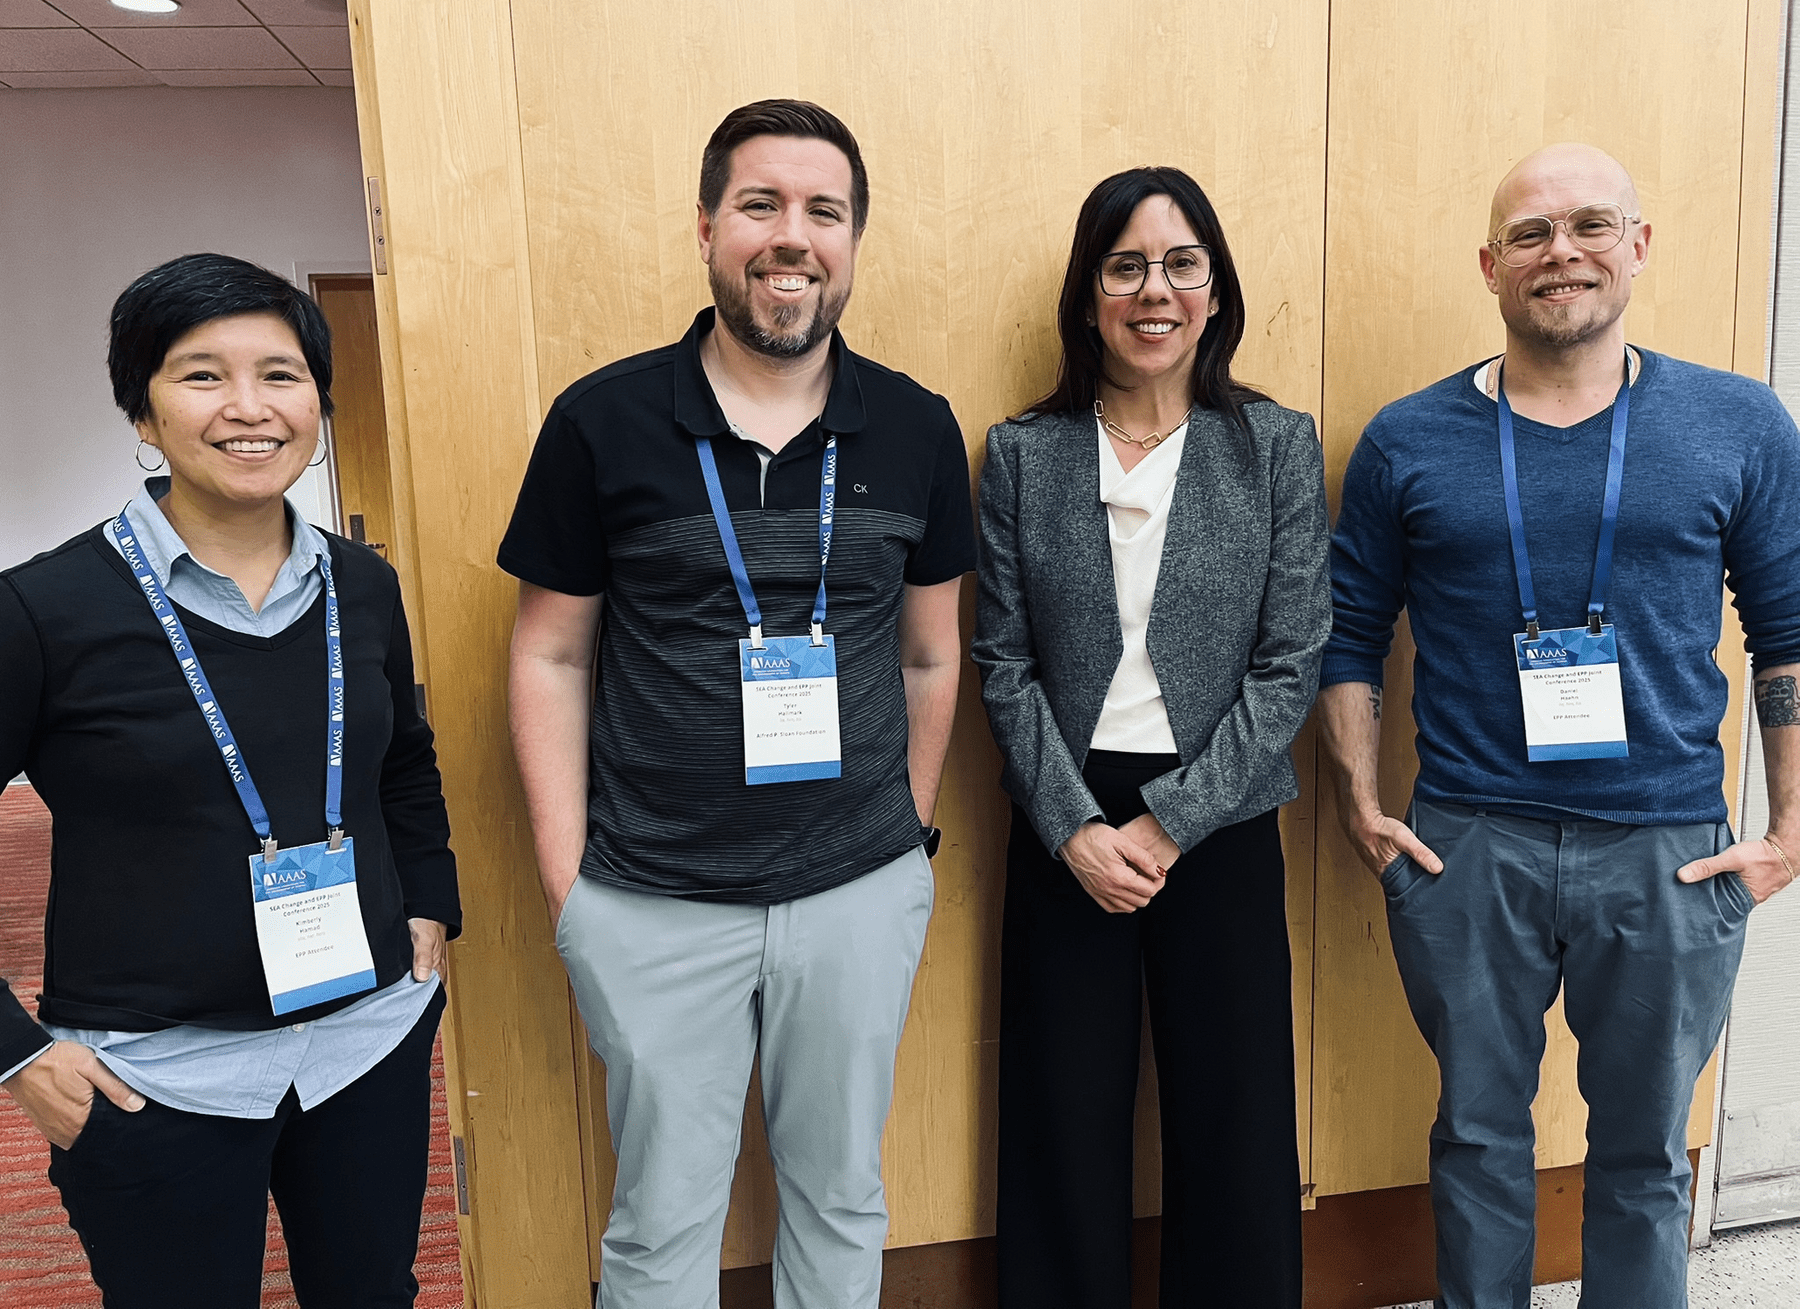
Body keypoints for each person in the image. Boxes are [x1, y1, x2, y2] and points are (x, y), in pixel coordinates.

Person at [500, 99, 973, 1309]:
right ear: (707, 226)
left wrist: (905, 842)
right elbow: (551, 656)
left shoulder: (915, 428)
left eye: (825, 211)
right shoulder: (602, 422)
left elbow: (931, 657)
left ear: (854, 240)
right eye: (761, 204)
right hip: (651, 896)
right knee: (661, 1222)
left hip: (857, 889)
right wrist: (570, 885)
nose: (792, 236)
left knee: (841, 1197)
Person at [1320, 143, 1800, 1309]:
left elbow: (1787, 629)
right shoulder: (1408, 439)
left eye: (1590, 225)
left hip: (1667, 848)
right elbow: (1349, 634)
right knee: (1478, 1139)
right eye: (1531, 233)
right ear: (1492, 266)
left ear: (1638, 246)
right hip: (1471, 842)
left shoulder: (1738, 423)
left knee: (1643, 1156)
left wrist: (1790, 829)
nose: (1562, 252)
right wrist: (1361, 806)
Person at [0, 253, 461, 1307]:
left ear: (318, 405)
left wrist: (430, 901)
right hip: (153, 1076)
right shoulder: (44, 610)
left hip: (363, 1045)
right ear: (144, 412)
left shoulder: (363, 584)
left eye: (281, 375)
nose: (249, 408)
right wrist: (16, 1055)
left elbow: (404, 759)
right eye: (203, 375)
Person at [971, 166, 1329, 1309]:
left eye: (1180, 264)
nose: (1153, 290)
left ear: (1215, 291)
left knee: (1234, 1116)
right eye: (1124, 267)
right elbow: (1001, 661)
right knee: (1061, 1111)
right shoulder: (1022, 453)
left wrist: (1173, 822)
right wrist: (1074, 825)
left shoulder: (1273, 445)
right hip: (1065, 818)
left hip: (1220, 816)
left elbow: (1291, 661)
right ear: (1089, 297)